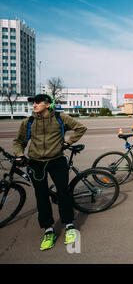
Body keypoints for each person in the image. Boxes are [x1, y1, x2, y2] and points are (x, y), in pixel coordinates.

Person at [13, 94, 87, 251]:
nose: (34, 105)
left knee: (63, 192)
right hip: (36, 163)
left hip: (57, 161)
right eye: (33, 103)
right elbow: (19, 141)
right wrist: (19, 154)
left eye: (37, 102)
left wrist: (67, 143)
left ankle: (69, 226)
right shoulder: (29, 122)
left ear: (47, 104)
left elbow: (81, 128)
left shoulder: (60, 117)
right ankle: (48, 229)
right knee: (41, 195)